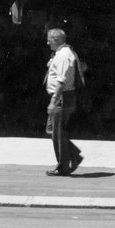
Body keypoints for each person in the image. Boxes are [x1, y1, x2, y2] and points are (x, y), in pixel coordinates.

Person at [43, 27, 83, 176]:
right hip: (62, 97)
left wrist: (53, 101)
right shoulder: (61, 54)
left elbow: (61, 81)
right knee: (53, 130)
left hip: (61, 97)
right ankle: (73, 156)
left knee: (58, 133)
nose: (47, 43)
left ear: (57, 40)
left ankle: (63, 166)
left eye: (50, 40)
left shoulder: (63, 56)